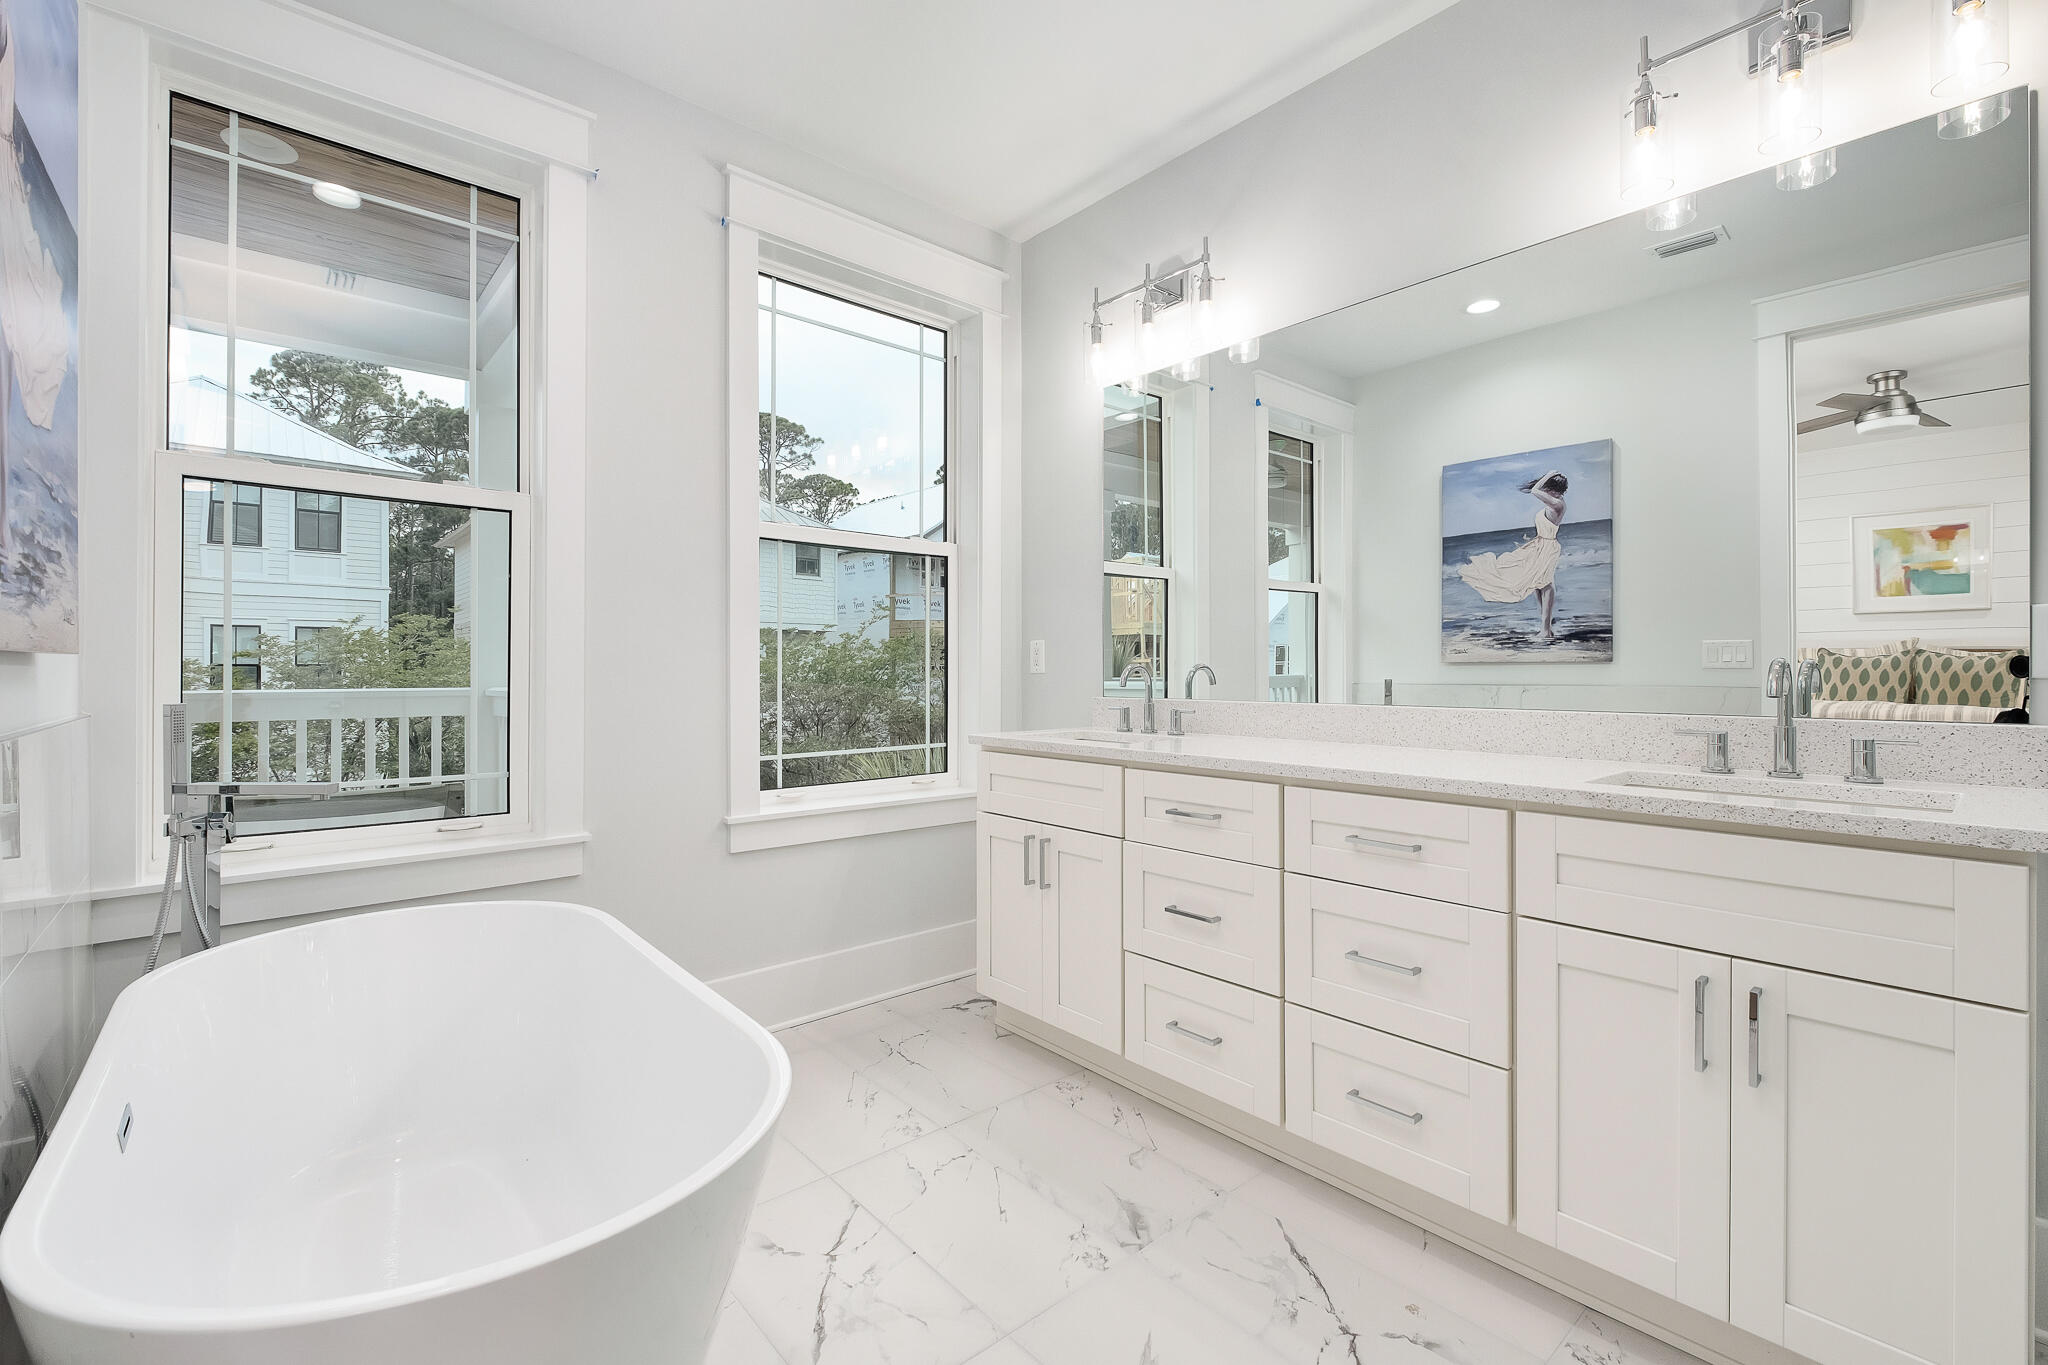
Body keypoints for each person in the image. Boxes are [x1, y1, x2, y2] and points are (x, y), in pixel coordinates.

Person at [1457, 470, 1567, 643]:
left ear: (1554, 488)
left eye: (1548, 486)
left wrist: (1547, 475)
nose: (1546, 489)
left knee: (1545, 584)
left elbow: (1534, 491)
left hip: (1547, 546)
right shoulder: (1553, 501)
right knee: (1536, 584)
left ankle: (1546, 630)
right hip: (1540, 545)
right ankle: (1546, 628)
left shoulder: (1557, 503)